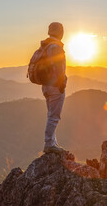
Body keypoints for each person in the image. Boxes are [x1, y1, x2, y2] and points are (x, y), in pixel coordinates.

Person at [41, 22, 67, 154]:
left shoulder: (46, 46)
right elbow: (58, 68)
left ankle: (53, 142)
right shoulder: (56, 47)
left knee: (51, 114)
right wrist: (62, 83)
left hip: (46, 85)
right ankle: (49, 143)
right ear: (60, 32)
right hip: (55, 86)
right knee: (54, 116)